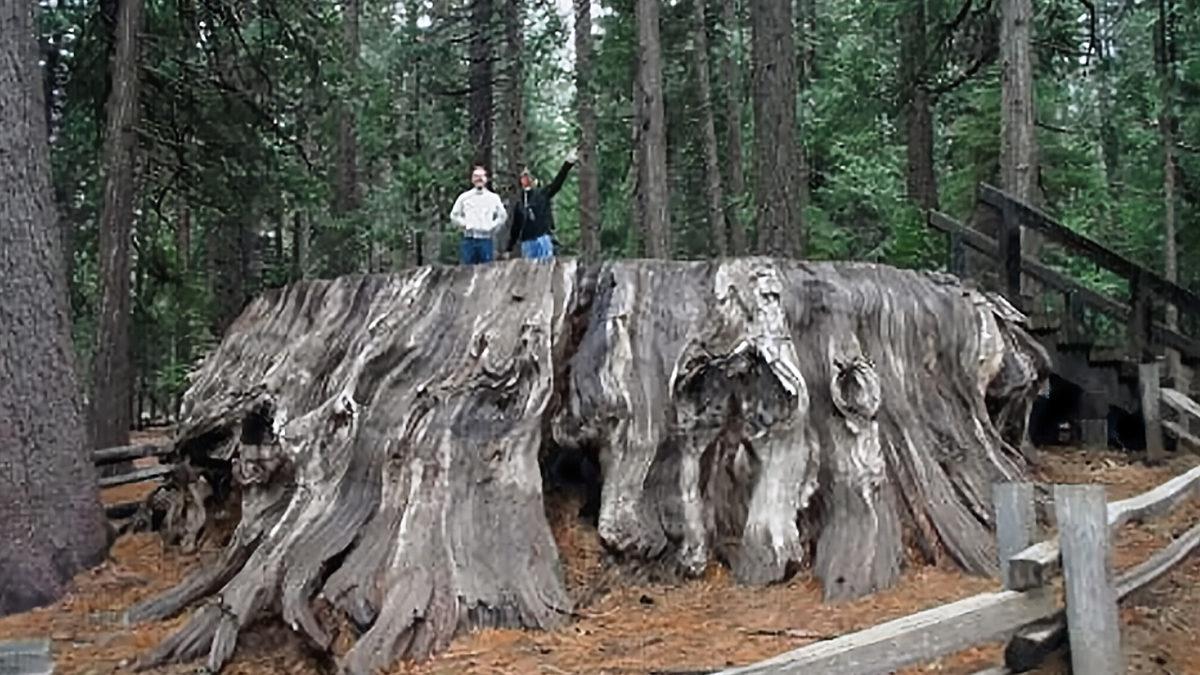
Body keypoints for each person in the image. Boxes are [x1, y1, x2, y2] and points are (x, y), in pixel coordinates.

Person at [506, 149, 577, 261]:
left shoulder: (543, 193)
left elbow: (557, 183)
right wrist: (509, 248)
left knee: (545, 270)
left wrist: (568, 164)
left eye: (528, 176)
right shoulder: (520, 202)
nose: (526, 178)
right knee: (529, 273)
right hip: (527, 242)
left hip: (543, 239)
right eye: (523, 176)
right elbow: (516, 227)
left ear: (535, 180)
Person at [450, 165, 507, 265]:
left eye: (482, 176)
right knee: (466, 272)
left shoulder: (493, 198)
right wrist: (465, 224)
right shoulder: (464, 197)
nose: (479, 179)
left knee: (487, 271)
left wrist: (492, 227)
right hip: (469, 240)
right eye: (476, 176)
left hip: (486, 240)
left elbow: (502, 216)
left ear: (486, 179)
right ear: (472, 179)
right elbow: (454, 215)